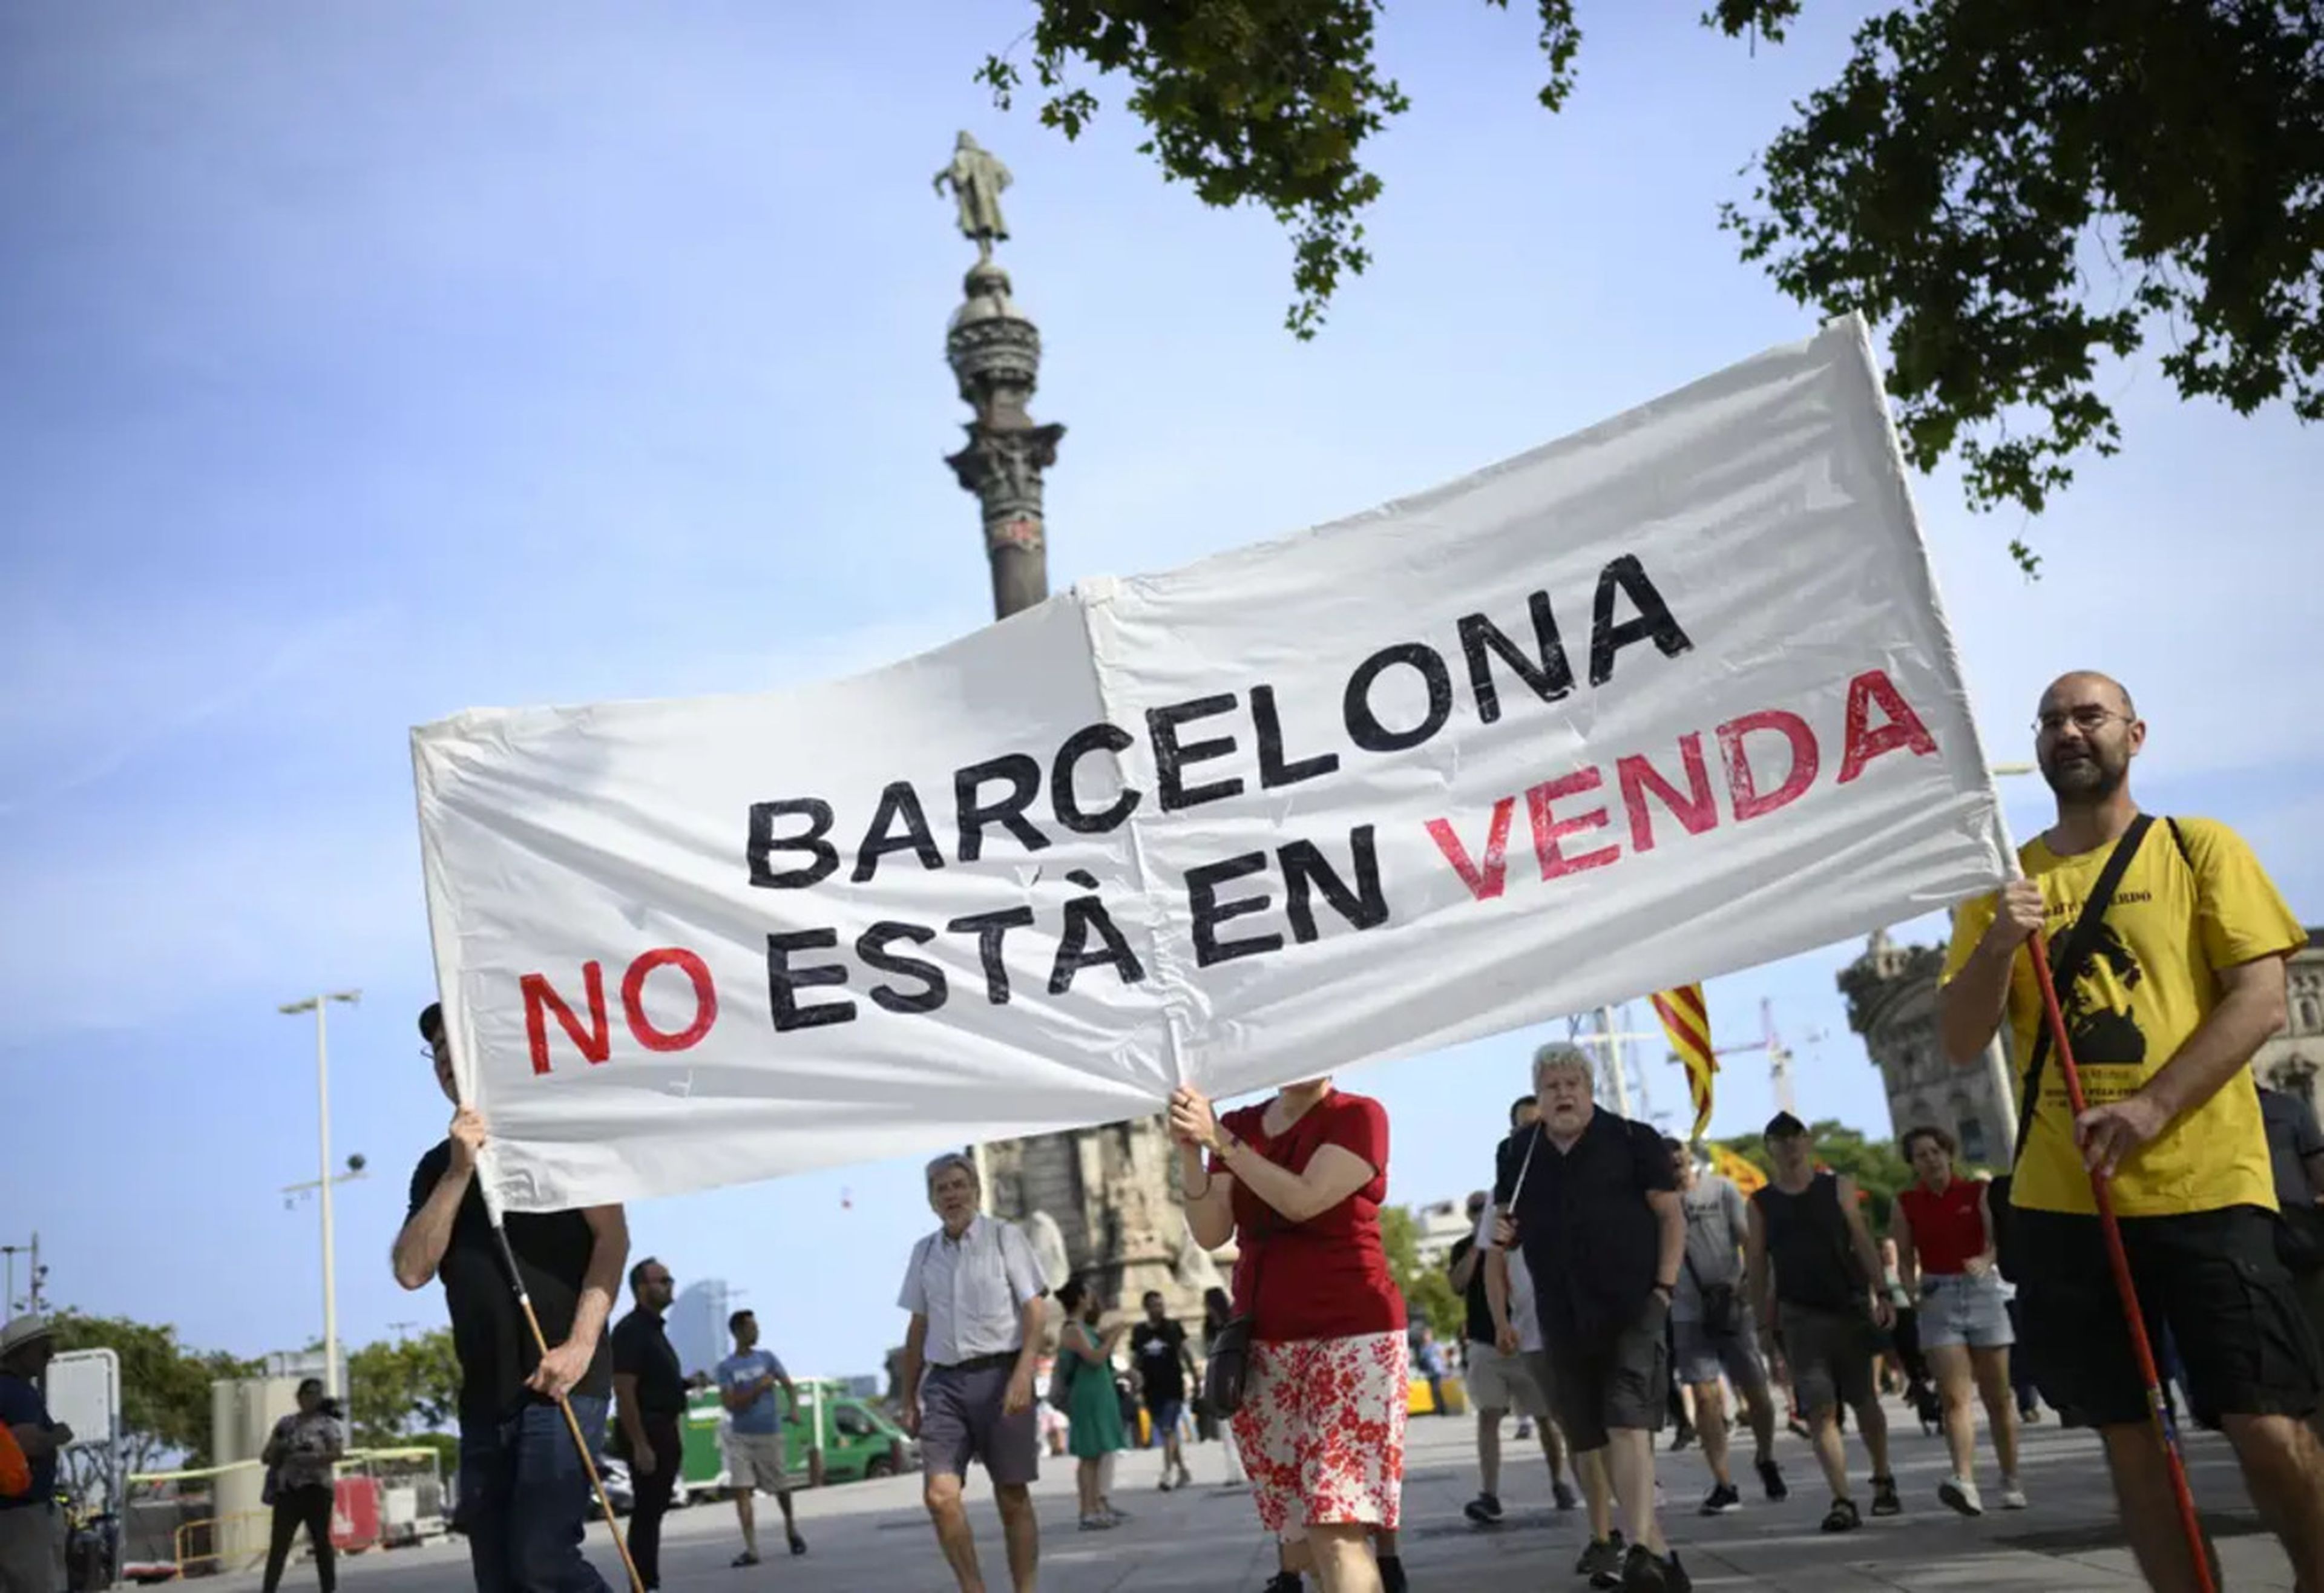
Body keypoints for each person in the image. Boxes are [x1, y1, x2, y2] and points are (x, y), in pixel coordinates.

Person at [1938, 670, 2324, 1591]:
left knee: (2265, 1422)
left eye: (2088, 716)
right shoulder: (2006, 885)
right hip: (2067, 1202)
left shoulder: (2199, 850)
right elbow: (1960, 1040)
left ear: (2134, 735)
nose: (2067, 732)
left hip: (2207, 1186)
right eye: (2050, 722)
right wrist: (1997, 945)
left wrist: (2152, 1107)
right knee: (2132, 1440)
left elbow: (2263, 1001)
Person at [393, 1002, 626, 1593]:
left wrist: (579, 1346)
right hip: (484, 1400)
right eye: (436, 1051)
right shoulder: (435, 1169)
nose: (446, 1060)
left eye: (456, 1045)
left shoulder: (561, 1134)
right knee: (498, 1578)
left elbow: (613, 1240)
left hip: (562, 1383)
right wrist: (458, 1172)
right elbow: (411, 1269)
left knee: (542, 1560)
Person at [1170, 1077, 1410, 1593]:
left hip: (1351, 1337)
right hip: (1265, 1344)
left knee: (1335, 1522)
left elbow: (1304, 1200)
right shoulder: (1238, 1124)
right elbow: (1212, 1232)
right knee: (1304, 1535)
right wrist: (1191, 1153)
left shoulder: (1359, 1116)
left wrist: (1223, 1145)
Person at [1491, 1043, 1690, 1593]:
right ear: (1539, 1095)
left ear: (1590, 1089)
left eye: (1572, 1084)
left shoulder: (1632, 1140)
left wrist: (1664, 1290)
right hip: (1562, 1315)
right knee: (1593, 1438)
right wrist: (1509, 1236)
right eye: (1551, 1086)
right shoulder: (1518, 1152)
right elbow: (1507, 1226)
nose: (1563, 1095)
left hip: (1633, 1309)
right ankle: (1662, 1558)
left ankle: (1642, 1548)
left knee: (1628, 1424)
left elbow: (1671, 1216)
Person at [896, 1151, 1048, 1593]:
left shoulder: (1006, 1238)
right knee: (940, 1497)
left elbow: (1036, 1311)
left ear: (976, 1191)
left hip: (1003, 1375)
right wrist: (908, 1398)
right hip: (944, 1384)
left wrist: (1023, 1374)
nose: (951, 1195)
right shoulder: (923, 1253)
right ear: (931, 1201)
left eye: (959, 1185)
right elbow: (917, 1328)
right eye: (942, 1189)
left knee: (1012, 1495)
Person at [1747, 1112, 1897, 1532]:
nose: (1790, 1146)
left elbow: (1862, 1240)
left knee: (1865, 1400)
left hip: (1847, 1305)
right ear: (1770, 1148)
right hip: (1799, 1315)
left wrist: (1881, 1292)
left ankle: (1882, 1477)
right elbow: (1758, 1264)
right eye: (1780, 1139)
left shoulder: (1838, 1188)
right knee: (1819, 1410)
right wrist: (1762, 1322)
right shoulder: (1761, 1203)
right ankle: (1842, 1498)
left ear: (1808, 1142)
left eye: (1795, 1137)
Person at [1893, 1126, 2024, 1514]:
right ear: (1913, 1163)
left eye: (1935, 1152)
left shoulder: (1976, 1193)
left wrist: (1986, 1260)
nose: (1930, 1160)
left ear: (1949, 1154)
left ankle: (2011, 1478)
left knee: (1998, 1396)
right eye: (1921, 1155)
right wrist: (1910, 1289)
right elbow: (1902, 1253)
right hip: (1939, 1295)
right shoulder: (1906, 1203)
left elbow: (1994, 1240)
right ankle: (1964, 1480)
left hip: (1981, 1290)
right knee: (1954, 1396)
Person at [1665, 1139, 1785, 1514]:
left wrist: (1750, 1286)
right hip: (1687, 1312)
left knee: (1756, 1391)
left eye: (1681, 1162)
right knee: (1704, 1398)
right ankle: (1723, 1482)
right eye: (1669, 1166)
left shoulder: (1721, 1190)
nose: (1677, 1170)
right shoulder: (1656, 1204)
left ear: (1690, 1161)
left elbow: (1751, 1243)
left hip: (1733, 1306)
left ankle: (1765, 1456)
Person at [1451, 1184, 1579, 1526]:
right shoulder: (1465, 1248)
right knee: (1488, 1416)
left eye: (1485, 1207)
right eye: (1475, 1208)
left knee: (1546, 1418)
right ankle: (1489, 1493)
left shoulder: (1518, 1238)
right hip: (1484, 1342)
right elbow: (1458, 1283)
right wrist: (1479, 1247)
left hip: (1525, 1339)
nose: (1481, 1212)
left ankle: (1559, 1481)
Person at [611, 1258, 686, 1593]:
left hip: (663, 1427)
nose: (670, 1285)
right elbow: (624, 1389)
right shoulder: (631, 1331)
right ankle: (643, 1583)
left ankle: (647, 1580)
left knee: (653, 1510)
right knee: (646, 1512)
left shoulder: (654, 1330)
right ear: (643, 1288)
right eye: (662, 1281)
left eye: (670, 1280)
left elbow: (657, 1383)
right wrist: (640, 1443)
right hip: (648, 1429)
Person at [714, 1309, 805, 1567]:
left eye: (757, 1327)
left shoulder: (767, 1358)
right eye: (751, 1328)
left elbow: (788, 1385)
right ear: (738, 1332)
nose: (756, 1331)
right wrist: (757, 1388)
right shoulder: (726, 1368)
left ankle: (791, 1528)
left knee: (781, 1487)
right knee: (742, 1489)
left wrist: (794, 1409)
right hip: (741, 1437)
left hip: (770, 1433)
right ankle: (751, 1548)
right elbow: (730, 1404)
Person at [2257, 1083, 2324, 1376]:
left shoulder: (2287, 1109)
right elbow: (2319, 1170)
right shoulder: (2288, 1108)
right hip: (2295, 1233)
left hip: (2264, 1235)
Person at [0, 1316, 69, 1593]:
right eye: (44, 1349)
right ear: (21, 1352)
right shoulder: (17, 1393)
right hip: (24, 1517)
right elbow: (25, 1442)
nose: (51, 1356)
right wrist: (58, 1436)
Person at [1054, 1278, 1130, 1529]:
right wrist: (1115, 1337)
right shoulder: (1072, 1330)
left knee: (1098, 1453)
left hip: (1098, 1394)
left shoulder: (1083, 1329)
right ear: (1079, 1299)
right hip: (1086, 1396)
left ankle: (1096, 1506)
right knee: (1089, 1456)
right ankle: (1087, 1511)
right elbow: (1095, 1358)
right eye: (1088, 1294)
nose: (1092, 1299)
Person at [260, 1378, 344, 1593]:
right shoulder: (286, 1424)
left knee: (321, 1542)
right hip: (288, 1490)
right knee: (279, 1545)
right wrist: (280, 1452)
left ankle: (329, 1588)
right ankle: (269, 1589)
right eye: (308, 1394)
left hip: (317, 1489)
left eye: (317, 1394)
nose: (312, 1398)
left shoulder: (328, 1424)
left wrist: (312, 1458)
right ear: (299, 1397)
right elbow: (266, 1456)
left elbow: (337, 1453)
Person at [1128, 1291, 1196, 1492]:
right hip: (1151, 1389)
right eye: (1155, 1305)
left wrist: (1196, 1376)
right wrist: (1134, 1383)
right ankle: (1183, 1469)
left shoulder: (1173, 1327)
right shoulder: (1139, 1332)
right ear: (1147, 1308)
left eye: (1161, 1304)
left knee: (1168, 1429)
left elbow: (1185, 1353)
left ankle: (1167, 1474)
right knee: (1167, 1431)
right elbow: (1136, 1359)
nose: (1159, 1308)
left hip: (1173, 1386)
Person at [1200, 1287, 1247, 1488]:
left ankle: (1243, 1469)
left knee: (1240, 1426)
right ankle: (1233, 1470)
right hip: (1219, 1375)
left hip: (1236, 1373)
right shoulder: (1208, 1326)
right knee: (1225, 1427)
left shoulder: (1232, 1321)